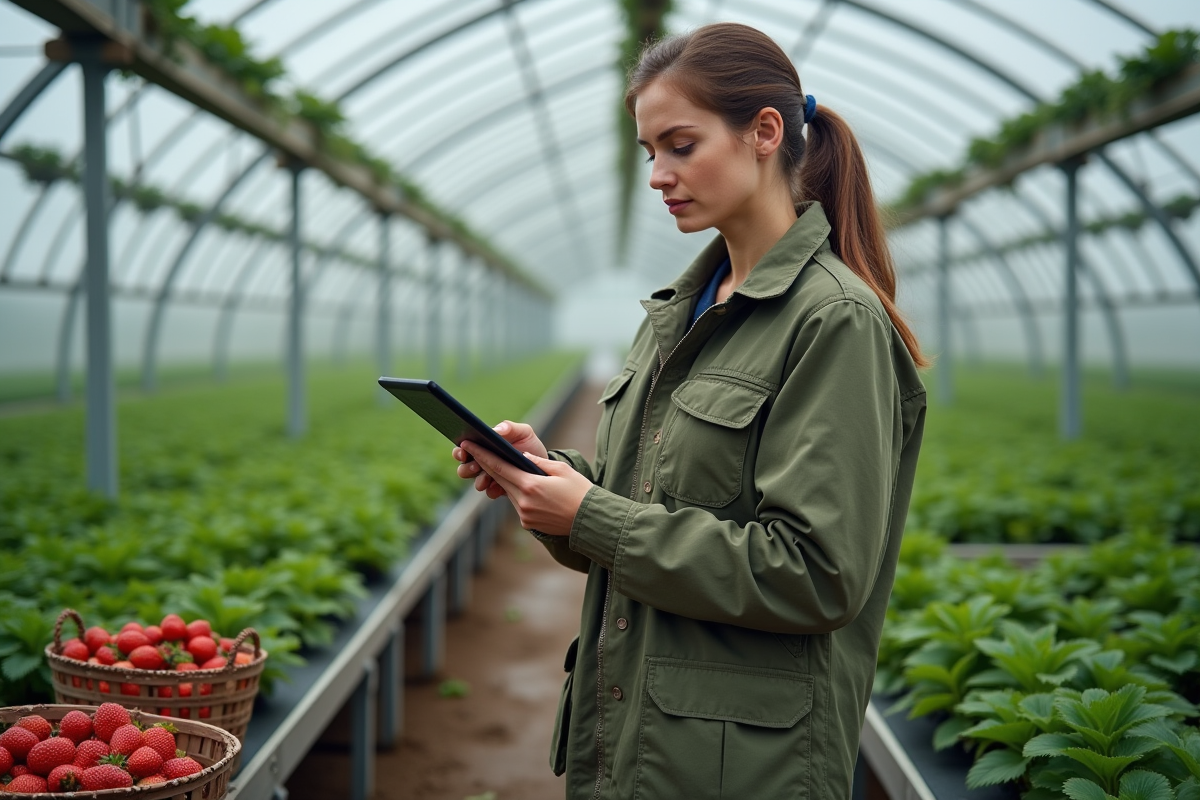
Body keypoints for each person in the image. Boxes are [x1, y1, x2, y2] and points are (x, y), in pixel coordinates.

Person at [453, 21, 928, 800]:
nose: (658, 175)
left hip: (743, 769)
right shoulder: (677, 312)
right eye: (650, 152)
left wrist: (592, 516)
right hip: (636, 741)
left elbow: (816, 575)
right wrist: (549, 478)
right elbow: (649, 510)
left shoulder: (832, 320)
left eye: (680, 145)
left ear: (764, 133)